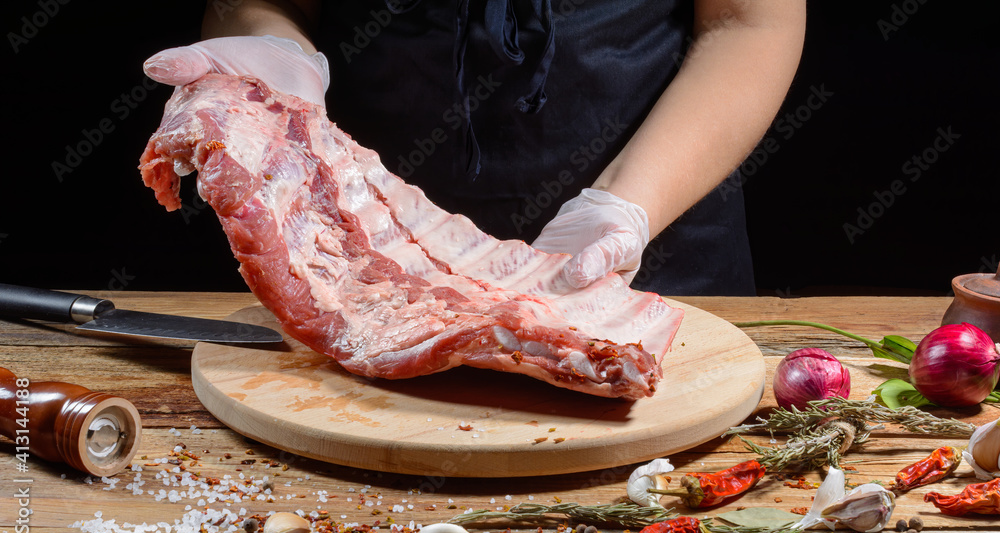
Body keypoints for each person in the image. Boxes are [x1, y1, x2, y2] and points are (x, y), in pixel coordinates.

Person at [144, 0, 806, 295]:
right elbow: (259, 1)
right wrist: (272, 57)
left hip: (661, 263)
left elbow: (750, 20)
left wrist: (629, 206)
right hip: (356, 273)